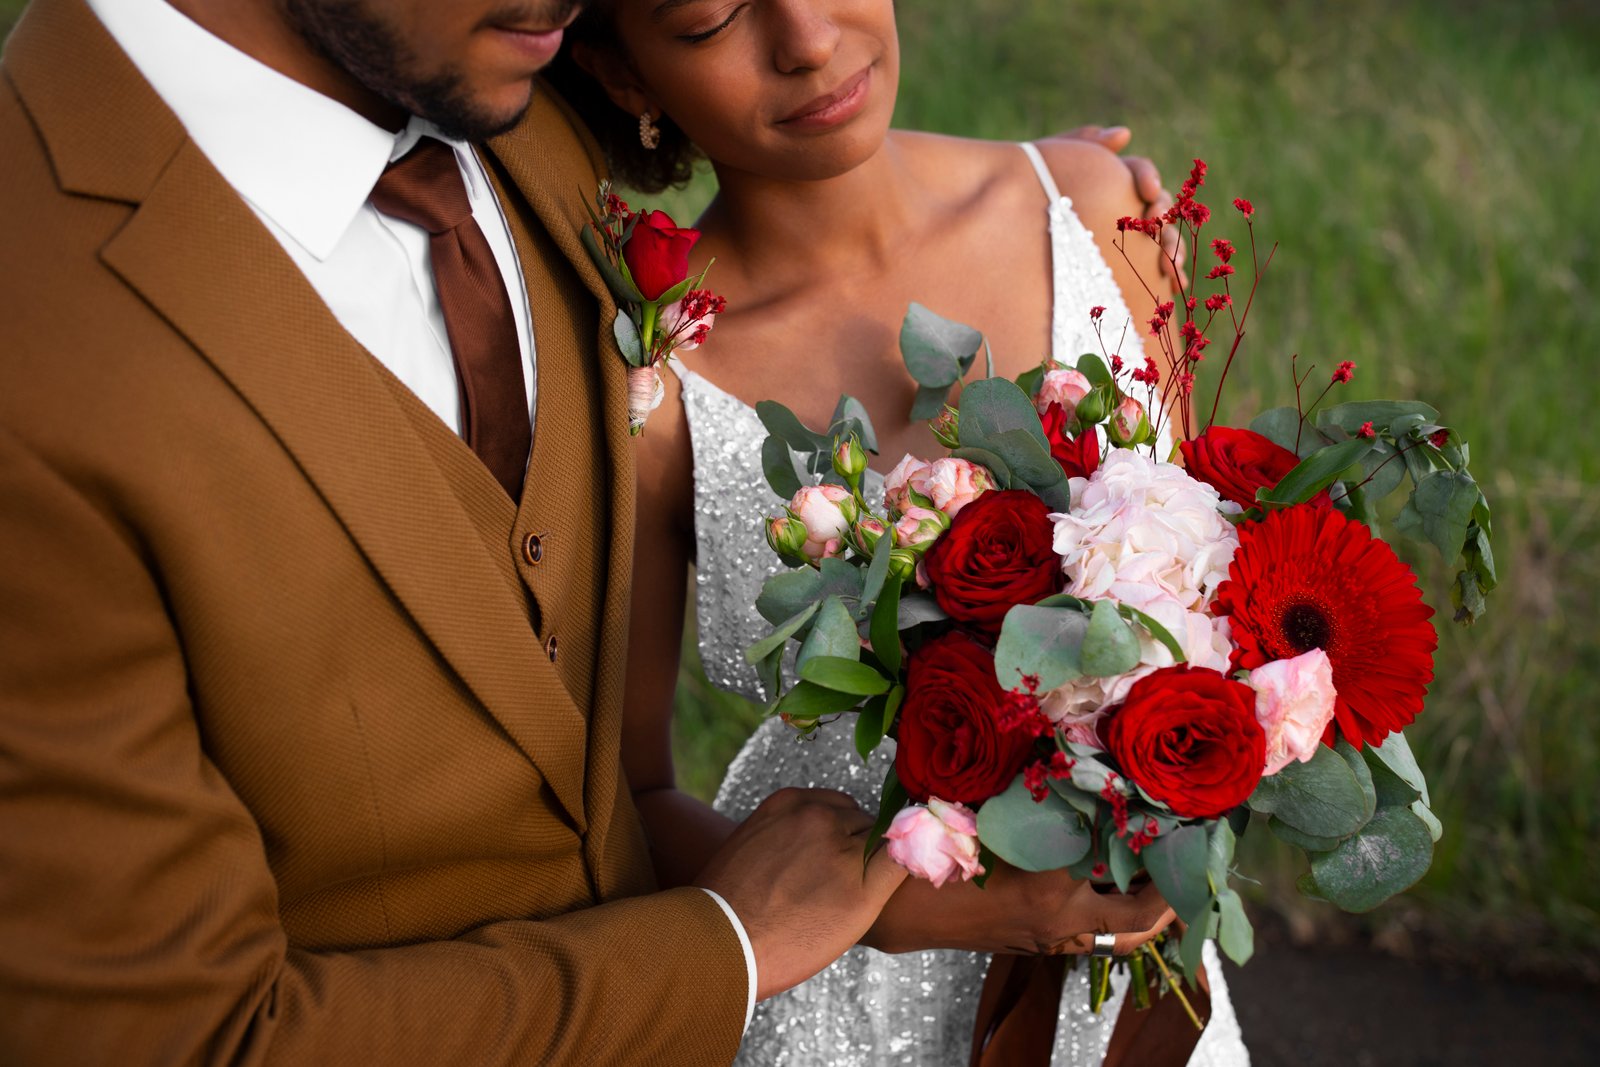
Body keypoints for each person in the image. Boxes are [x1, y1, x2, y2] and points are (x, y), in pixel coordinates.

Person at [0, 0, 927, 1062]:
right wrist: (726, 945)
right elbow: (169, 1038)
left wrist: (1030, 204)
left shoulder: (501, 76)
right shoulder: (34, 347)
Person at [547, 0, 1253, 1063]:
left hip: (1135, 984)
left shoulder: (1098, 209)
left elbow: (1215, 597)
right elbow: (623, 791)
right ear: (622, 70)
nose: (808, 42)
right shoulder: (649, 372)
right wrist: (898, 911)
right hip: (839, 1007)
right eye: (707, 19)